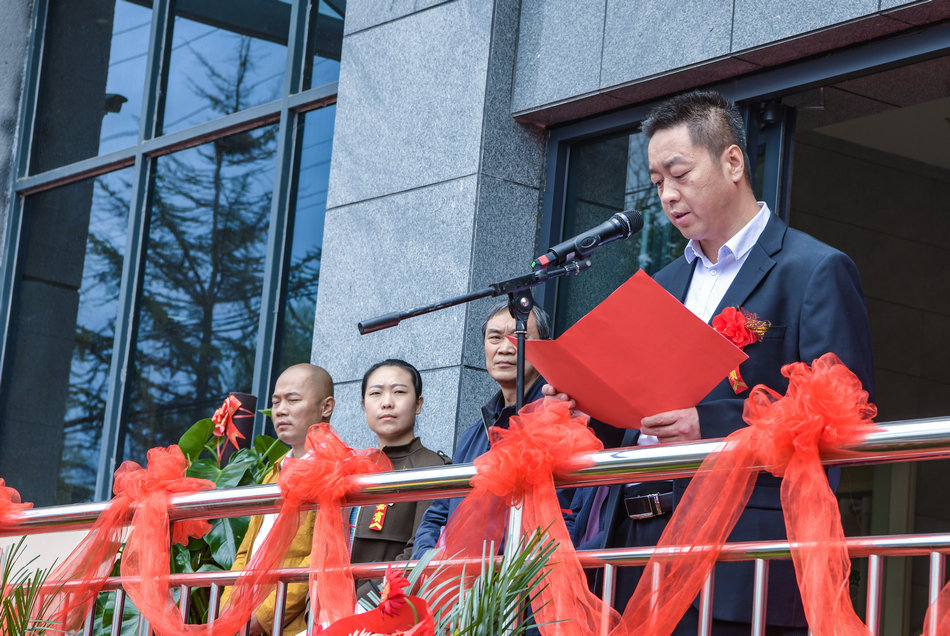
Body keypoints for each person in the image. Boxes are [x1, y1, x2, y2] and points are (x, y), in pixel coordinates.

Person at [561, 89, 875, 634]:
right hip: (635, 549)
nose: (667, 195)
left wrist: (709, 424)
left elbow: (841, 412)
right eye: (657, 182)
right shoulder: (660, 285)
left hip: (739, 551)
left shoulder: (812, 269)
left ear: (732, 162)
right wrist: (581, 404)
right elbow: (633, 413)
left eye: (679, 174)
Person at [411, 302, 556, 557]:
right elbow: (438, 513)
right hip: (463, 587)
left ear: (546, 345)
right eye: (495, 338)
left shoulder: (562, 418)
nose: (505, 348)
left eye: (518, 336)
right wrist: (429, 569)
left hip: (529, 581)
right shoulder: (473, 435)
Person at [220, 363, 335, 635]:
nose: (281, 410)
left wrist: (260, 618)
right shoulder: (274, 471)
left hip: (291, 624)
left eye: (293, 400)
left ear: (326, 407)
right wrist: (228, 609)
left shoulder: (334, 469)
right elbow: (245, 552)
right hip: (242, 618)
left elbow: (319, 556)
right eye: (276, 402)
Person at [350, 359, 449, 598]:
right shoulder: (351, 470)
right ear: (364, 405)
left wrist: (359, 605)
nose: (386, 403)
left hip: (384, 610)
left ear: (418, 404)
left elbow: (418, 552)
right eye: (375, 393)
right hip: (329, 611)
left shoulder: (434, 468)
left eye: (399, 392)